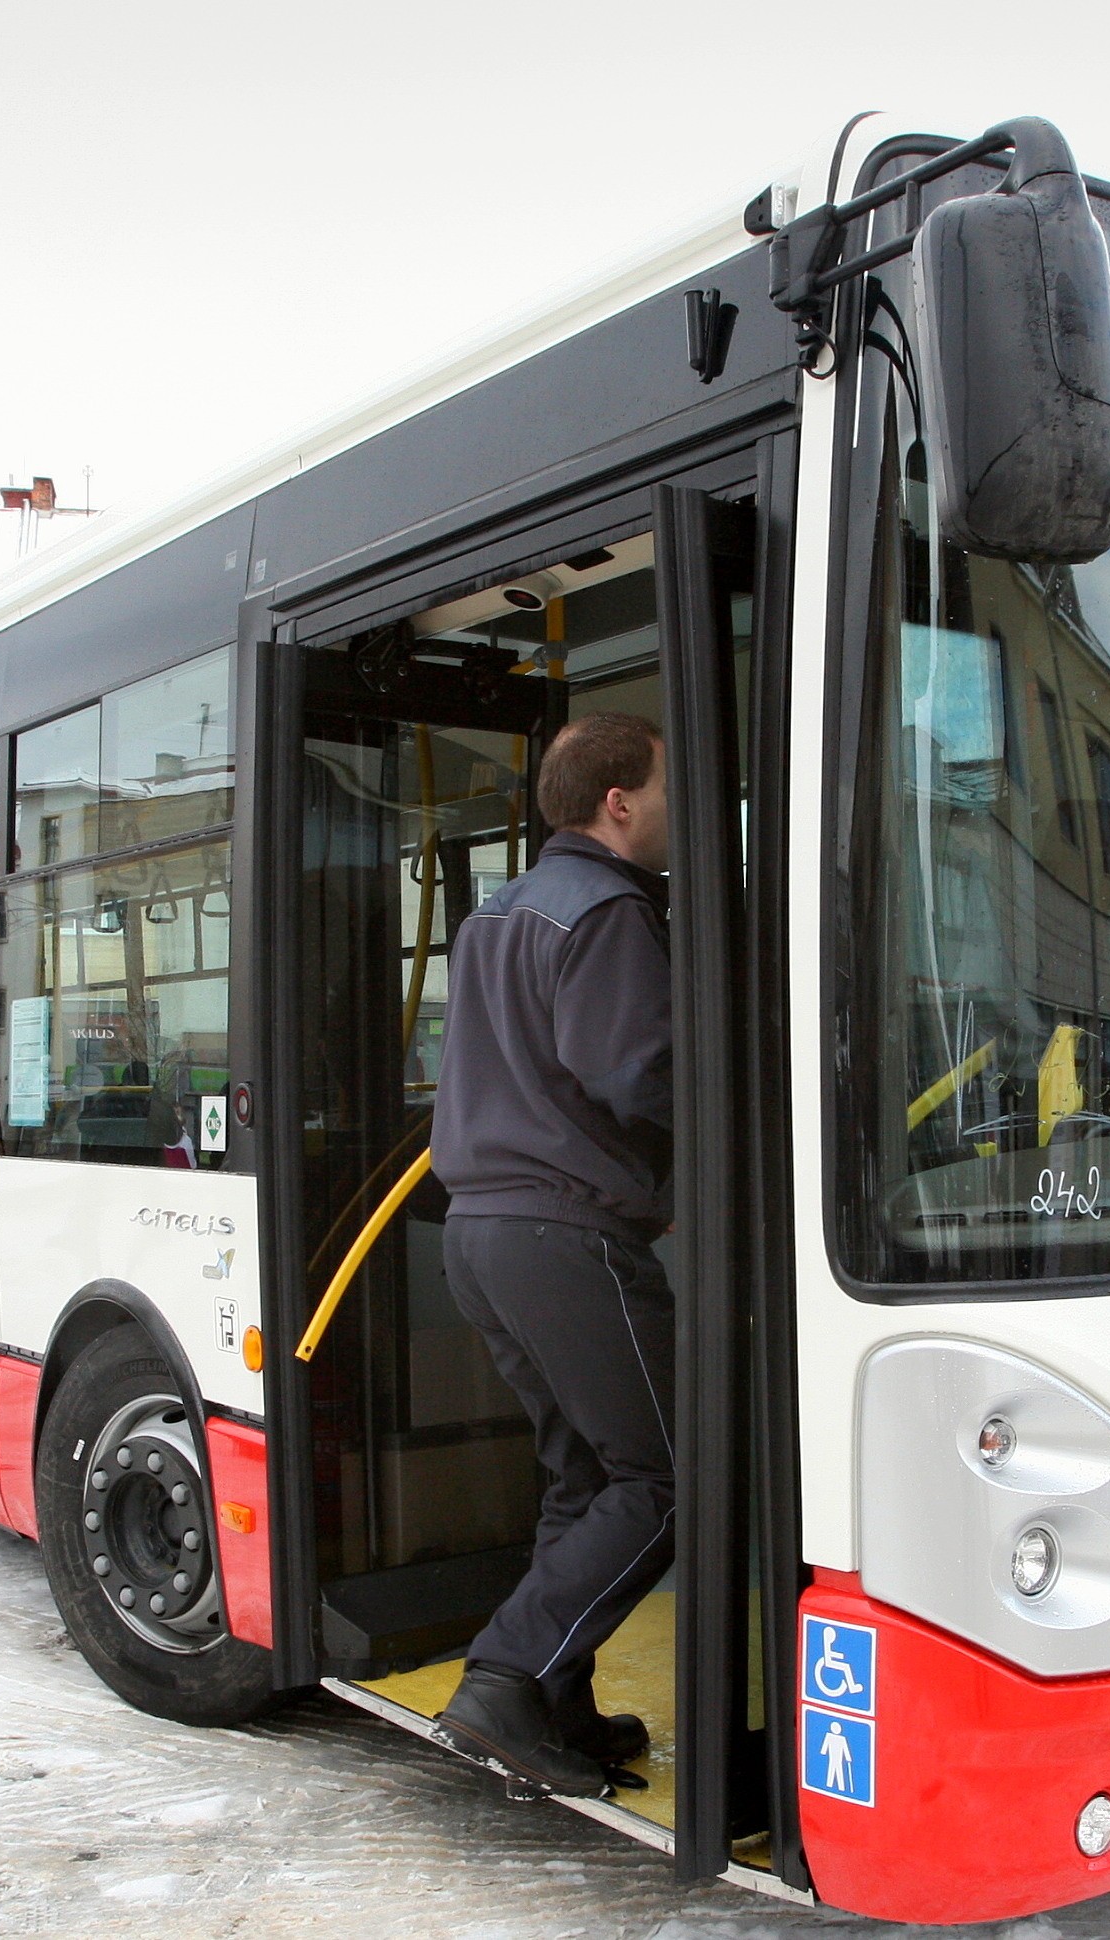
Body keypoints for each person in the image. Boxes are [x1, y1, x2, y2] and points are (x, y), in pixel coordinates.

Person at [426, 713, 677, 1798]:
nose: (679, 809)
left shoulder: (498, 912)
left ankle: (555, 1701)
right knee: (670, 1474)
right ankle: (509, 1678)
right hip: (566, 1234)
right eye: (669, 786)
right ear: (617, 801)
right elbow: (644, 1071)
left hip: (481, 1235)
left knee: (584, 1473)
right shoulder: (611, 909)